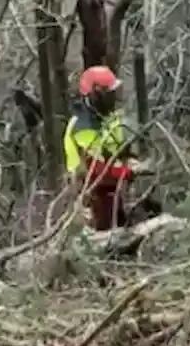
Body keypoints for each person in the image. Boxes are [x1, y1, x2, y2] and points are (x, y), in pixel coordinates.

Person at [63, 66, 151, 229]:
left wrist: (132, 160)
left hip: (113, 185)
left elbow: (119, 149)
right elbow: (96, 169)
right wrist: (128, 172)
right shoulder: (82, 127)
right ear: (96, 94)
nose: (113, 98)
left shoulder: (109, 118)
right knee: (106, 228)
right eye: (109, 93)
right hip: (90, 190)